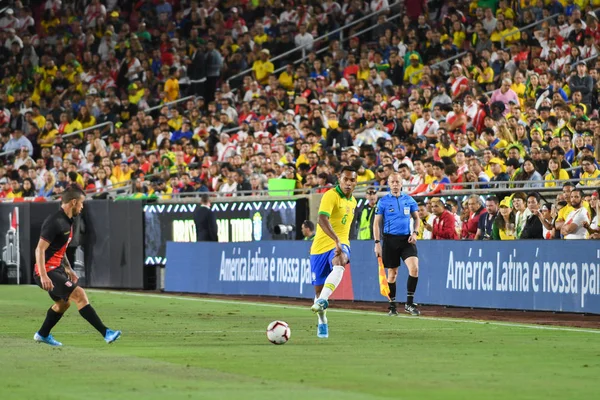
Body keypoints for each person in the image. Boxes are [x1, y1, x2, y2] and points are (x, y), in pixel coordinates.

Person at [33, 185, 121, 347]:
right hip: (46, 270)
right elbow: (40, 249)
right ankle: (106, 332)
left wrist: (69, 268)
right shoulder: (55, 222)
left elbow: (60, 248)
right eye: (81, 203)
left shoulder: (67, 221)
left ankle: (42, 334)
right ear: (73, 202)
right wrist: (44, 275)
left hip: (56, 269)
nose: (82, 207)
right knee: (79, 295)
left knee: (63, 303)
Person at [309, 166, 358, 338]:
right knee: (317, 290)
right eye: (346, 179)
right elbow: (322, 219)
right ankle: (322, 320)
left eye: (352, 180)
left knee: (340, 260)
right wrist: (335, 239)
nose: (349, 183)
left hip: (341, 243)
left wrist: (339, 242)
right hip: (319, 248)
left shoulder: (353, 201)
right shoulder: (331, 195)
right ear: (339, 179)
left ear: (356, 182)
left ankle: (323, 301)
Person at [373, 172, 421, 316]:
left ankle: (409, 303)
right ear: (389, 184)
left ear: (402, 183)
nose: (395, 185)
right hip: (390, 240)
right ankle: (392, 305)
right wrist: (377, 242)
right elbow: (376, 223)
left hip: (406, 239)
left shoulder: (409, 200)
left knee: (414, 268)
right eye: (392, 182)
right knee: (392, 275)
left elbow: (417, 219)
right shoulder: (383, 201)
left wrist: (415, 233)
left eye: (397, 182)